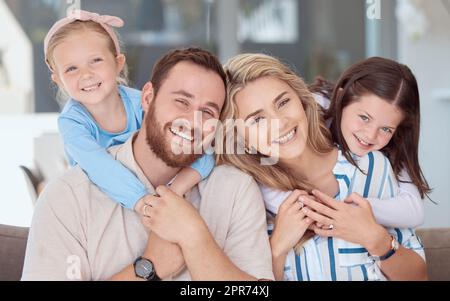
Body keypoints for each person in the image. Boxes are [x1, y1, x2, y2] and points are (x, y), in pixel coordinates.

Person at [22, 48, 274, 281]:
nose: (192, 121)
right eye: (181, 102)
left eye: (208, 112)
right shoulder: (69, 196)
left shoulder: (235, 190)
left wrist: (195, 238)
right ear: (147, 98)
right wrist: (149, 267)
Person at [219, 53, 427, 281]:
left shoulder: (371, 166)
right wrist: (277, 248)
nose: (280, 123)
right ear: (242, 138)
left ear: (301, 99)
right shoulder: (247, 199)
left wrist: (375, 239)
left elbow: (418, 276)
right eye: (257, 120)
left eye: (283, 102)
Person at [44, 10, 215, 217]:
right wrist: (141, 201)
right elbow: (99, 167)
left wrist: (174, 191)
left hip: (159, 196)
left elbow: (202, 150)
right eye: (71, 68)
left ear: (118, 63)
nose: (86, 74)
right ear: (59, 80)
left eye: (96, 60)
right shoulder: (71, 122)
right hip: (102, 203)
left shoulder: (143, 104)